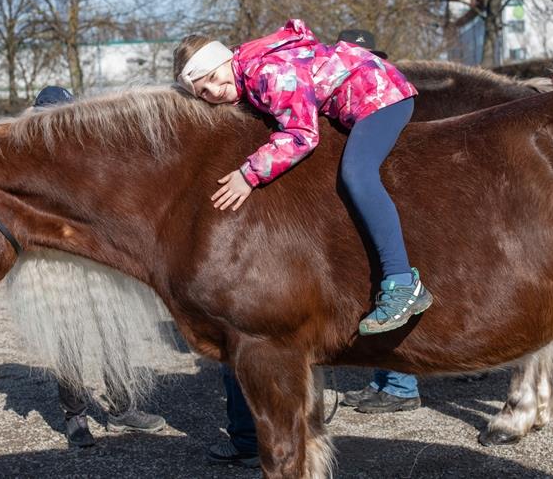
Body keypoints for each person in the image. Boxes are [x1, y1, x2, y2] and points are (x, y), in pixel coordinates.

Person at [173, 19, 432, 336]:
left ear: (225, 58)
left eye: (213, 77)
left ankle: (403, 283)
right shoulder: (247, 72)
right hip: (356, 99)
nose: (213, 91)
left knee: (357, 174)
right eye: (203, 92)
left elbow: (301, 134)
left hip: (379, 94)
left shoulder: (264, 72)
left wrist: (249, 174)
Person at [31, 85, 167, 447]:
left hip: (101, 258)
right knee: (69, 339)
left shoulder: (93, 153)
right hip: (60, 263)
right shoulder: (31, 162)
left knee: (115, 331)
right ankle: (75, 415)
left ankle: (122, 408)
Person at [334, 29, 421, 413]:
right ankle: (387, 379)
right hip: (373, 208)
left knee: (392, 284)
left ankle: (402, 385)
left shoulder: (384, 102)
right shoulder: (352, 106)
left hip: (394, 209)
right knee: (373, 287)